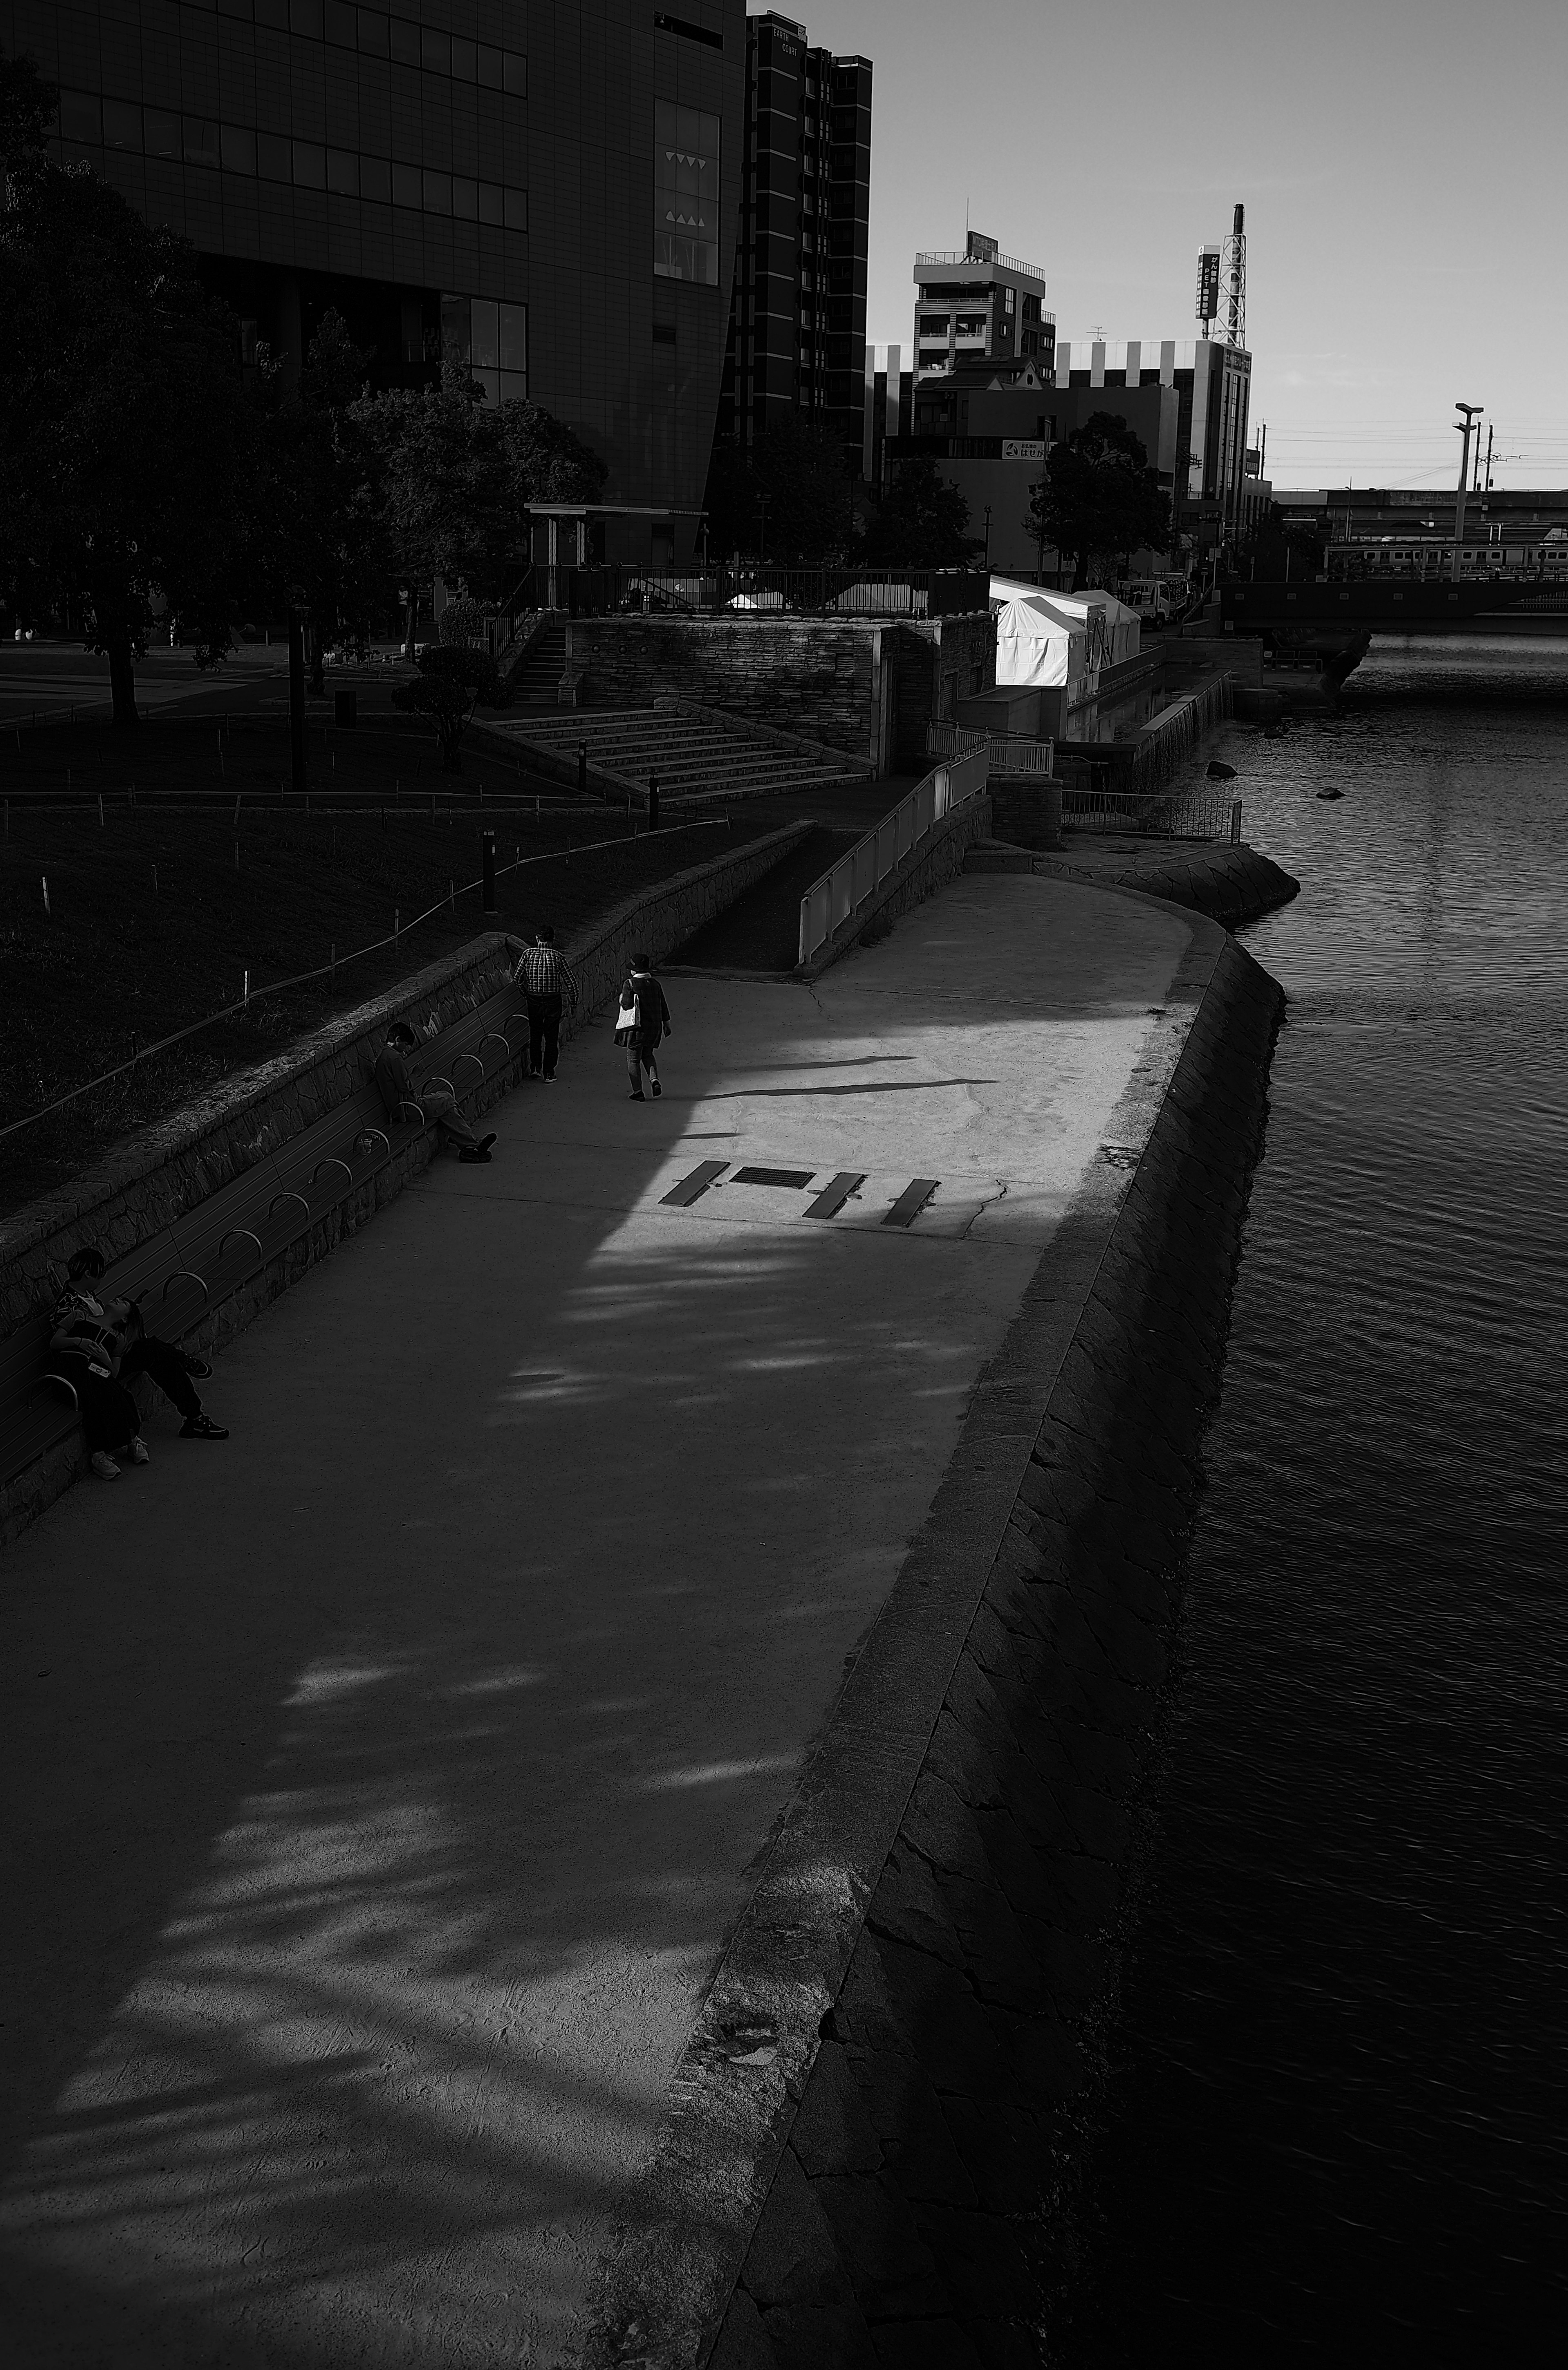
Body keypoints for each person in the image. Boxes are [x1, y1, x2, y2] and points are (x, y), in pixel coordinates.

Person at [49, 1247, 229, 1481]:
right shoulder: (70, 1305)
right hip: (92, 1365)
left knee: (155, 1353)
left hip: (110, 1353)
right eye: (100, 1275)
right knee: (153, 1350)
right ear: (86, 1274)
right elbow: (71, 1343)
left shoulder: (89, 1296)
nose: (102, 1279)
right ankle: (188, 1391)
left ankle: (193, 1413)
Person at [373, 1022, 497, 1162]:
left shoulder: (384, 1056)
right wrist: (416, 1074)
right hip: (408, 1108)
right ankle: (470, 1145)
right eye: (406, 1045)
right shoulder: (395, 1058)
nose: (406, 1049)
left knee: (446, 1101)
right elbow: (405, 1087)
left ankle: (464, 1139)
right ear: (398, 1040)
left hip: (402, 1106)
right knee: (447, 1101)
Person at [512, 926, 579, 1082]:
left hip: (533, 998)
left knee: (535, 1034)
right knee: (551, 1036)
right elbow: (571, 983)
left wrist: (525, 992)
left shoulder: (528, 954)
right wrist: (574, 1004)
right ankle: (549, 1072)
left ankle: (535, 1067)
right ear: (553, 940)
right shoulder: (558, 957)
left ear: (537, 938)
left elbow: (517, 977)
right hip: (552, 1000)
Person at [617, 949, 672, 1101]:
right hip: (655, 1028)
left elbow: (627, 1005)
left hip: (637, 1029)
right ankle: (654, 1080)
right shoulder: (656, 984)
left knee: (633, 1059)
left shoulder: (630, 984)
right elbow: (663, 1006)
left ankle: (638, 1092)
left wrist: (622, 998)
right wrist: (667, 1025)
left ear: (634, 970)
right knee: (648, 1055)